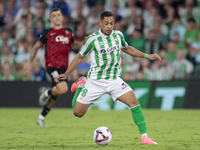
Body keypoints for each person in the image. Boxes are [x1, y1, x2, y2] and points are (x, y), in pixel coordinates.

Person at [56, 11, 161, 145]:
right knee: (77, 113)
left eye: (112, 23)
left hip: (114, 80)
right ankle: (81, 85)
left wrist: (147, 56)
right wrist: (66, 74)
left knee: (134, 102)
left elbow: (127, 49)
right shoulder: (92, 39)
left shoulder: (118, 35)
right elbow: (79, 57)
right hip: (95, 81)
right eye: (106, 23)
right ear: (100, 23)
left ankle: (145, 138)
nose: (109, 26)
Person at [23, 8, 82, 127]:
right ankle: (47, 92)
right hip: (52, 66)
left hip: (64, 68)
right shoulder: (47, 33)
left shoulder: (68, 32)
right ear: (51, 19)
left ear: (62, 17)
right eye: (54, 16)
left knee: (56, 94)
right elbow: (36, 47)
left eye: (58, 15)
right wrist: (29, 62)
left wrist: (86, 42)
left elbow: (74, 45)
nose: (57, 17)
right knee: (63, 89)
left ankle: (41, 117)